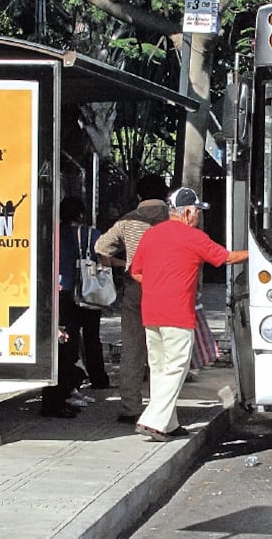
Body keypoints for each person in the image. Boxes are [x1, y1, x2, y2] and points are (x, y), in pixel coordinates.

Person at [129, 187, 248, 442]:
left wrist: (156, 285)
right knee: (176, 368)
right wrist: (256, 254)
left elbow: (136, 271)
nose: (198, 217)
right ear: (187, 212)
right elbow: (227, 258)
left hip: (151, 312)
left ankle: (169, 422)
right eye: (197, 212)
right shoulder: (194, 237)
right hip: (178, 313)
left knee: (159, 369)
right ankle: (153, 421)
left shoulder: (151, 234)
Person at [95, 174, 171, 424]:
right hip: (169, 290)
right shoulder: (174, 219)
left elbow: (101, 248)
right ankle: (162, 409)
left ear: (139, 195)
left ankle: (131, 407)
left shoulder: (128, 220)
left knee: (132, 349)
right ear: (165, 194)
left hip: (136, 288)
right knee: (165, 352)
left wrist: (123, 263)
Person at [58, 196, 111, 390]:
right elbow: (104, 258)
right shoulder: (92, 234)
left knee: (67, 335)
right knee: (92, 337)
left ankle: (70, 379)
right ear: (81, 214)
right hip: (89, 290)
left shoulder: (54, 233)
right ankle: (98, 378)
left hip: (63, 289)